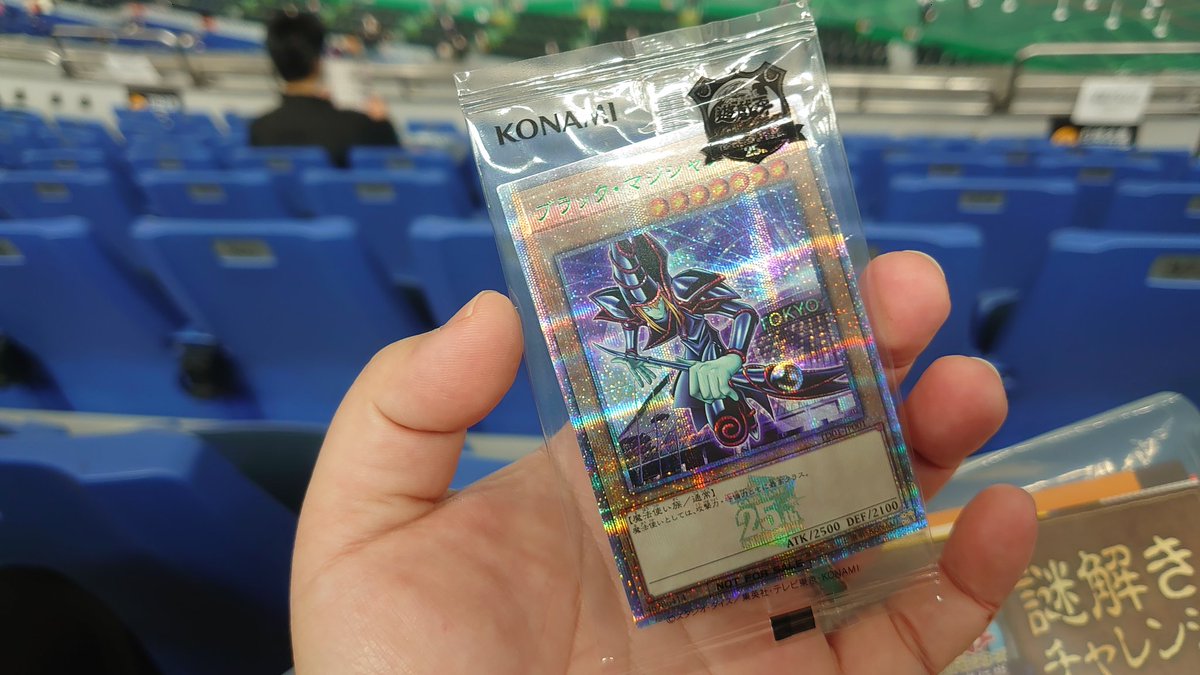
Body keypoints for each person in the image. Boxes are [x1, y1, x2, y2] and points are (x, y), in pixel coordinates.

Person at [290, 251, 1038, 673]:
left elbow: (744, 315)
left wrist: (729, 360)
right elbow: (635, 376)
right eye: (635, 296)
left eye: (648, 289)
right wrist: (679, 384)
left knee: (794, 404)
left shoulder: (691, 290)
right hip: (691, 429)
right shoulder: (626, 323)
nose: (645, 301)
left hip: (745, 391)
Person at [251, 11, 399, 168]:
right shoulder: (357, 126)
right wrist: (383, 124)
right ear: (318, 61)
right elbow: (395, 166)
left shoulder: (260, 130)